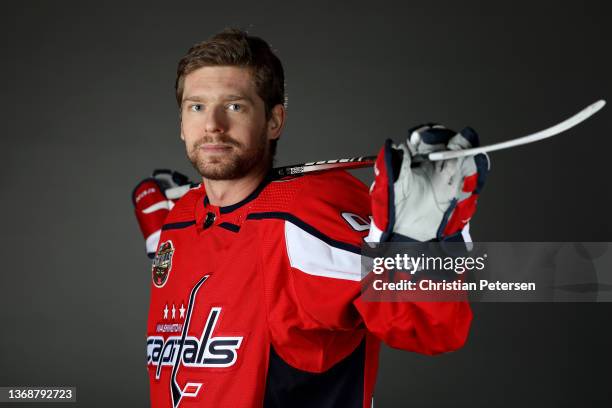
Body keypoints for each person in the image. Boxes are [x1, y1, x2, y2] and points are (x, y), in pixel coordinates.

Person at [132, 28, 488, 408]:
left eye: (235, 106)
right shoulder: (183, 218)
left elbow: (432, 330)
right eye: (196, 106)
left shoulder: (303, 223)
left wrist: (416, 244)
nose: (213, 125)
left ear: (274, 121)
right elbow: (223, 267)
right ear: (181, 123)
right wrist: (167, 241)